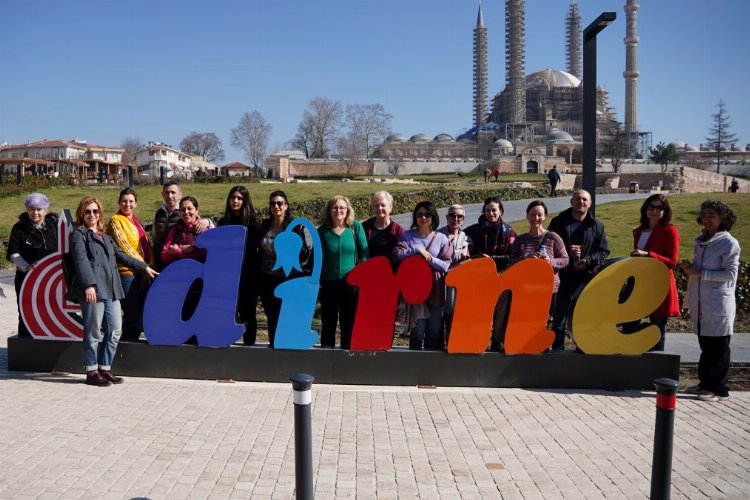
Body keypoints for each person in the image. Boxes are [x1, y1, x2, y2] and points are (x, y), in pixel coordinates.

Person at [66, 196, 157, 386]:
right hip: (94, 289)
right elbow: (81, 262)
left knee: (115, 330)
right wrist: (89, 285)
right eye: (88, 211)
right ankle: (91, 371)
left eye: (95, 211)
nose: (92, 214)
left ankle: (105, 368)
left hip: (112, 289)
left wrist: (143, 267)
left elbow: (122, 255)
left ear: (100, 213)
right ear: (81, 214)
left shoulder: (105, 236)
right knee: (93, 331)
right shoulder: (79, 235)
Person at [680, 200, 740, 402]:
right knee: (706, 344)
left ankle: (719, 389)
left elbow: (731, 274)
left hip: (717, 302)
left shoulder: (729, 243)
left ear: (723, 218)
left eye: (712, 215)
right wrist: (690, 267)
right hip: (701, 301)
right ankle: (705, 383)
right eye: (704, 214)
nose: (707, 219)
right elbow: (700, 270)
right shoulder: (700, 240)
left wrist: (700, 273)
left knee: (719, 347)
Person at [548, 190, 610, 351]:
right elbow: (548, 247)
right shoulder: (558, 222)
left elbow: (603, 252)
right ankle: (557, 351)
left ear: (589, 203)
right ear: (571, 201)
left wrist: (587, 260)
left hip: (585, 279)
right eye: (578, 199)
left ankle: (583, 350)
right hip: (563, 277)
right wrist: (566, 252)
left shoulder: (597, 226)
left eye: (584, 199)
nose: (581, 202)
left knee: (583, 318)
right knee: (559, 319)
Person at [394, 201, 453, 350]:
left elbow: (446, 265)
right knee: (417, 333)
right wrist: (416, 249)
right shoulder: (407, 236)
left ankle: (430, 369)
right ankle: (413, 367)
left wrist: (430, 258)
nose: (423, 217)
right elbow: (397, 255)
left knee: (433, 332)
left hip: (436, 290)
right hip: (416, 292)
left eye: (427, 214)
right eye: (419, 214)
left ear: (433, 217)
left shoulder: (441, 238)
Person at [258, 191, 311, 347]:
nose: (276, 206)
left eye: (280, 203)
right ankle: (274, 345)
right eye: (273, 203)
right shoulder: (265, 224)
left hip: (286, 277)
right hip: (266, 275)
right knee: (270, 314)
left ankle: (286, 346)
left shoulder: (295, 227)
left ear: (286, 206)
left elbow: (303, 255)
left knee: (285, 314)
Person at [465, 197, 517, 351]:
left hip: (502, 278)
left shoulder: (509, 233)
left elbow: (513, 258)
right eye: (487, 210)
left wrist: (495, 263)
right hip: (479, 279)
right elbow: (466, 252)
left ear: (500, 211)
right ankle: (479, 341)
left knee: (501, 313)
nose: (491, 213)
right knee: (481, 314)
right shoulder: (473, 230)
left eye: (494, 210)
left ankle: (497, 342)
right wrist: (479, 258)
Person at [629, 194, 680, 351]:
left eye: (659, 208)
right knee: (629, 324)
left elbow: (672, 262)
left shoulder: (670, 231)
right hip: (641, 284)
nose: (654, 211)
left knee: (657, 328)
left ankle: (657, 368)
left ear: (665, 211)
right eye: (651, 207)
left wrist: (648, 254)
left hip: (660, 284)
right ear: (645, 209)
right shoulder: (638, 231)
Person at [318, 195, 369, 349]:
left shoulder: (355, 228)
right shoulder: (322, 231)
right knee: (328, 323)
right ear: (329, 210)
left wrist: (362, 278)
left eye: (342, 207)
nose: (338, 210)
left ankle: (347, 357)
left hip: (350, 285)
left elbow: (365, 253)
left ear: (348, 210)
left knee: (349, 323)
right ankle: (327, 357)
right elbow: (317, 257)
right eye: (334, 207)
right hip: (328, 284)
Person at [7, 193, 59, 337]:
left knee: (50, 311)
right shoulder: (19, 228)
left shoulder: (54, 225)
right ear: (26, 209)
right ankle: (26, 347)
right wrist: (27, 266)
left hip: (51, 278)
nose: (35, 212)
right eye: (31, 209)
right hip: (27, 278)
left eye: (39, 209)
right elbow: (13, 253)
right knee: (26, 312)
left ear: (45, 210)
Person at [106, 187, 153, 342]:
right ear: (119, 203)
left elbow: (145, 246)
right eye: (124, 201)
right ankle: (125, 348)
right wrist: (144, 266)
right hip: (127, 273)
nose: (127, 204)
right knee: (131, 313)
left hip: (141, 273)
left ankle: (132, 346)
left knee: (140, 312)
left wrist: (149, 266)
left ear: (136, 204)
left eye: (131, 201)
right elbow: (124, 247)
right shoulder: (115, 220)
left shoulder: (135, 221)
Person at [217, 186, 262, 345]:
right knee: (226, 313)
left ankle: (249, 346)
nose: (235, 201)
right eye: (232, 197)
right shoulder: (223, 223)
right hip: (228, 276)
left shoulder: (254, 226)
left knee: (248, 314)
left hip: (248, 277)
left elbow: (259, 253)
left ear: (245, 201)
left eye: (239, 198)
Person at [510, 200, 569, 322]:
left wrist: (550, 261)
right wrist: (526, 259)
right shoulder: (520, 240)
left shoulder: (553, 237)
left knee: (552, 326)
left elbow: (565, 259)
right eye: (532, 214)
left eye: (539, 215)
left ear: (545, 217)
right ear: (527, 216)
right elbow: (511, 264)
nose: (536, 218)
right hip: (527, 291)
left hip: (551, 290)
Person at [152, 181, 210, 271]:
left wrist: (208, 221)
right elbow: (154, 236)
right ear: (162, 194)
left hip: (194, 270)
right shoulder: (159, 213)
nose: (170, 196)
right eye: (167, 192)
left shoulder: (191, 216)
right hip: (162, 263)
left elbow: (205, 249)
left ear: (180, 194)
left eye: (173, 192)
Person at [438, 204, 472, 337]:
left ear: (463, 220)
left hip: (457, 289)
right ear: (447, 217)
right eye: (452, 215)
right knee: (437, 327)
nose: (455, 219)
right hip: (439, 285)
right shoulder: (437, 236)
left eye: (459, 216)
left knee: (454, 326)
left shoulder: (468, 240)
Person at [161, 196, 210, 265]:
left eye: (189, 209)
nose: (186, 212)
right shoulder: (174, 230)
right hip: (177, 271)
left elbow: (205, 254)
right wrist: (178, 251)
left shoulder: (203, 229)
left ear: (197, 210)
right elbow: (164, 256)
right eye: (183, 209)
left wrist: (178, 251)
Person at [361, 191, 404, 264]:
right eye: (376, 205)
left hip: (390, 272)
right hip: (368, 270)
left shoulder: (398, 230)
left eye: (383, 205)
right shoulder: (364, 227)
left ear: (390, 207)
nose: (379, 208)